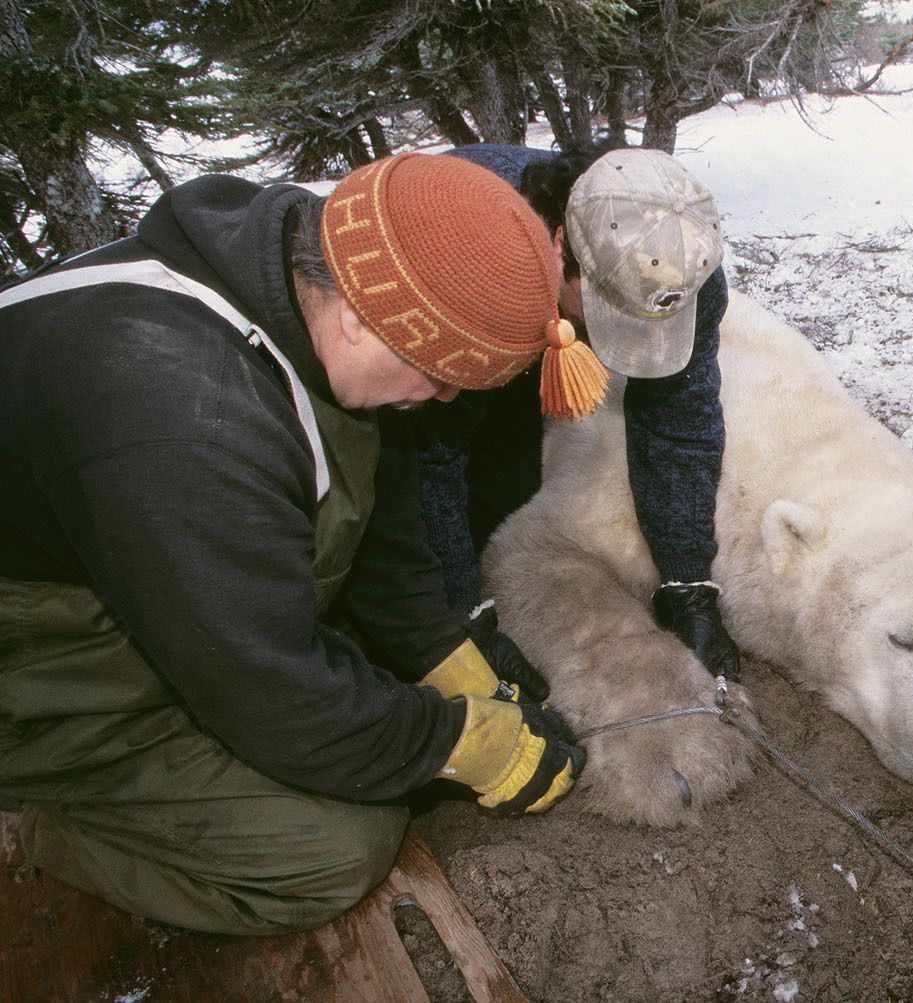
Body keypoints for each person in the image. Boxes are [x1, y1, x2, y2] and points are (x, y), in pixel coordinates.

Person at [0, 152, 594, 936]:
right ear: (359, 316)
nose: (444, 396)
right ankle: (46, 816)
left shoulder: (298, 274)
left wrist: (442, 653)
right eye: (437, 372)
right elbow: (273, 694)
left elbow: (374, 503)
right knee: (340, 845)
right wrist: (461, 743)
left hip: (152, 573)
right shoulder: (188, 419)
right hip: (39, 661)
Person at [415, 143, 741, 685]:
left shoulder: (684, 272)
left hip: (542, 312)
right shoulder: (475, 261)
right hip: (460, 298)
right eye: (607, 314)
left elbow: (678, 424)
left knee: (512, 483)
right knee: (463, 477)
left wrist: (688, 585)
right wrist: (455, 622)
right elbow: (431, 452)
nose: (618, 348)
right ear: (562, 245)